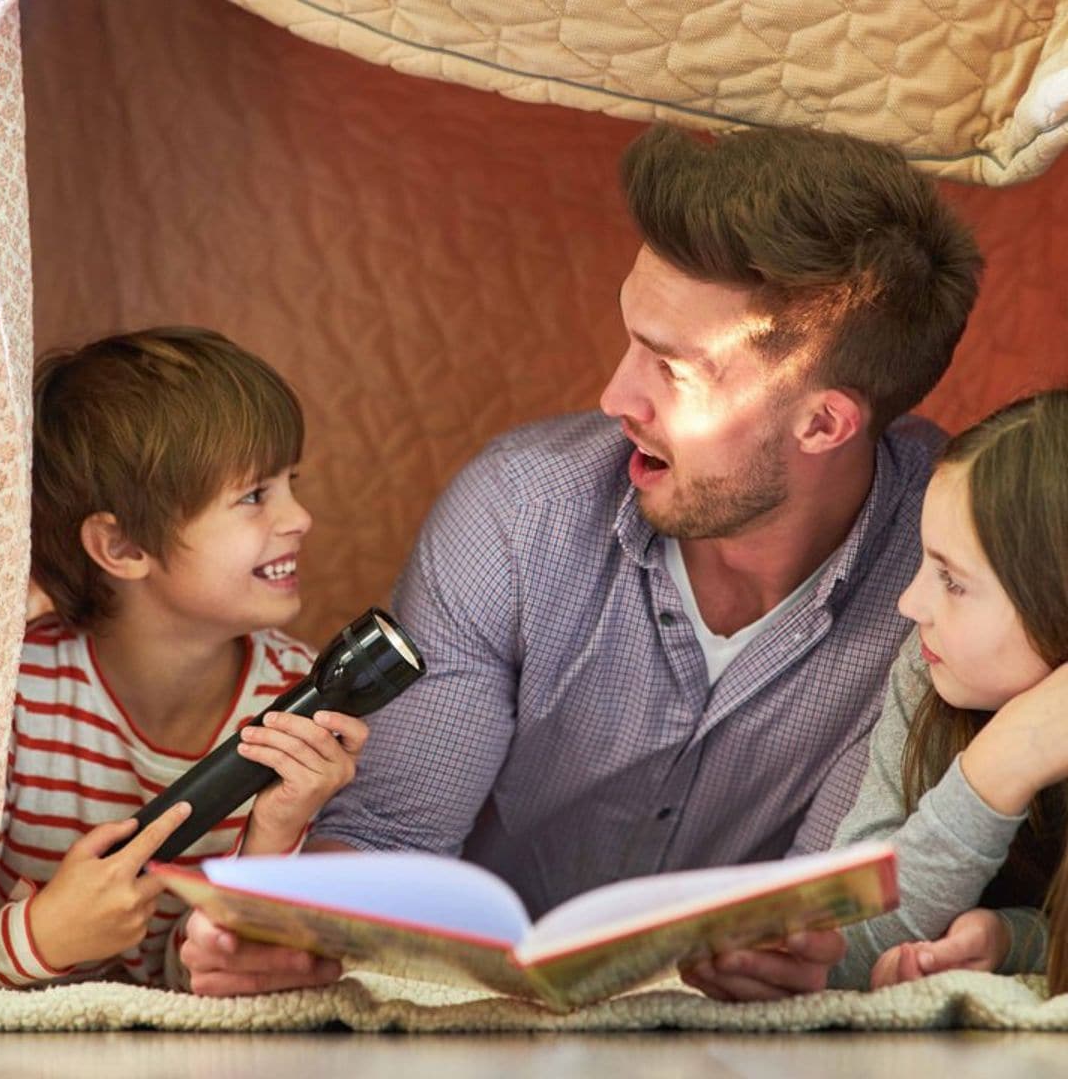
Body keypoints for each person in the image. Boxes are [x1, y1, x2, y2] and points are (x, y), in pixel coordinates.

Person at [179, 124, 984, 996]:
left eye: (672, 370)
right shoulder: (518, 514)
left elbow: (842, 904)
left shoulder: (950, 576)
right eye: (631, 336)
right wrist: (299, 934)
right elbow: (387, 833)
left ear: (824, 423)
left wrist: (794, 959)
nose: (615, 397)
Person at [0, 327, 368, 989]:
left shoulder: (290, 694)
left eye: (290, 483)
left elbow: (210, 982)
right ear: (123, 546)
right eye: (255, 496)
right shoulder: (15, 695)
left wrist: (274, 836)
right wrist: (43, 934)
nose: (300, 517)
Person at [683, 389, 1068, 998]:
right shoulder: (930, 668)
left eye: (952, 580)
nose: (910, 604)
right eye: (924, 564)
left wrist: (1003, 764)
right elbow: (851, 936)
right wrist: (1011, 939)